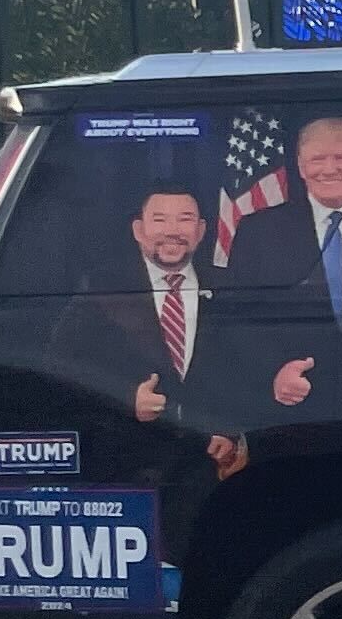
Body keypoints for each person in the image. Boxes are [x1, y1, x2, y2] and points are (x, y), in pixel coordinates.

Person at [201, 113, 342, 457]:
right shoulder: (258, 230)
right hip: (285, 415)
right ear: (301, 166)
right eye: (317, 159)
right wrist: (272, 371)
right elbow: (238, 317)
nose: (329, 168)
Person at [48, 184, 217, 439]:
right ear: (138, 230)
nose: (172, 231)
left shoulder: (227, 287)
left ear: (201, 230)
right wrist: (127, 399)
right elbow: (59, 369)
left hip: (217, 462)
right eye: (159, 220)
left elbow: (246, 370)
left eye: (185, 219)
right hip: (129, 452)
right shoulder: (102, 290)